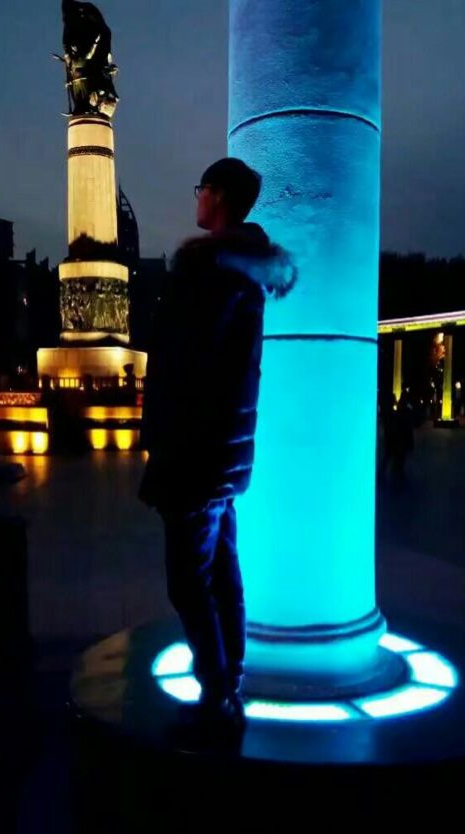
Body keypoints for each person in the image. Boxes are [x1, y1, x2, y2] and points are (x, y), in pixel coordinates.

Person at [139, 158, 295, 727]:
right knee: (221, 573)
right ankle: (228, 684)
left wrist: (167, 438)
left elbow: (186, 364)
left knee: (188, 581)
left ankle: (217, 693)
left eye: (200, 189)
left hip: (195, 453)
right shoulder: (240, 269)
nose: (197, 198)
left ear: (220, 196)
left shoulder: (211, 270)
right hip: (220, 452)